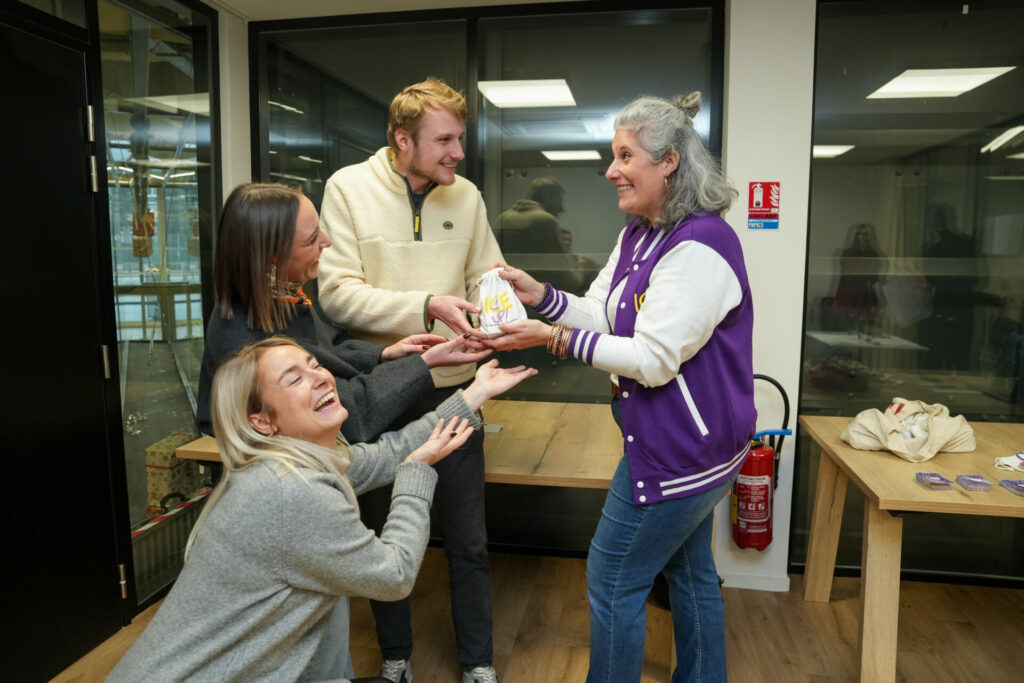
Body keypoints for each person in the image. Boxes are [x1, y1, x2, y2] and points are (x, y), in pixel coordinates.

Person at [484, 92, 755, 682]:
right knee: (690, 573)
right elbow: (604, 313)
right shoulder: (641, 231)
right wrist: (543, 297)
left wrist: (551, 338)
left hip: (682, 450)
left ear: (670, 162)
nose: (611, 170)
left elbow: (654, 359)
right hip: (690, 444)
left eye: (625, 156)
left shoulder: (702, 246)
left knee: (612, 579)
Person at [109, 337, 536, 682]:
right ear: (262, 421)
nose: (320, 378)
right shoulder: (289, 493)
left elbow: (387, 452)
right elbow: (394, 575)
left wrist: (475, 392)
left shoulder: (298, 460)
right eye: (294, 379)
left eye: (315, 366)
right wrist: (416, 474)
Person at [316, 77, 504, 683]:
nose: (458, 152)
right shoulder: (347, 189)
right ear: (403, 139)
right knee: (380, 538)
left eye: (461, 138)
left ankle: (478, 664)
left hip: (456, 387)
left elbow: (484, 278)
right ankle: (395, 660)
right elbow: (337, 293)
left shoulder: (467, 196)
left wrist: (498, 315)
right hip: (382, 389)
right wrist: (427, 304)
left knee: (469, 536)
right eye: (444, 139)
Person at [195, 182, 491, 444]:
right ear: (272, 258)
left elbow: (330, 346)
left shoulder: (275, 297)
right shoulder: (247, 341)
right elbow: (350, 412)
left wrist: (385, 354)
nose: (327, 242)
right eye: (312, 240)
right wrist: (422, 364)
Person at [496, 176, 584, 293]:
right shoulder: (545, 221)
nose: (561, 209)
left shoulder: (503, 218)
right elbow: (565, 278)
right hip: (534, 302)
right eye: (559, 201)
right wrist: (583, 273)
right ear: (551, 199)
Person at [830, 222, 885, 331]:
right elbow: (844, 278)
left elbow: (875, 280)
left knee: (863, 331)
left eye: (868, 235)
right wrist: (838, 300)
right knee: (846, 329)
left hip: (865, 297)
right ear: (856, 236)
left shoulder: (873, 255)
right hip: (848, 295)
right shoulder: (848, 253)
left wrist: (877, 302)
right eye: (863, 234)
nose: (866, 237)